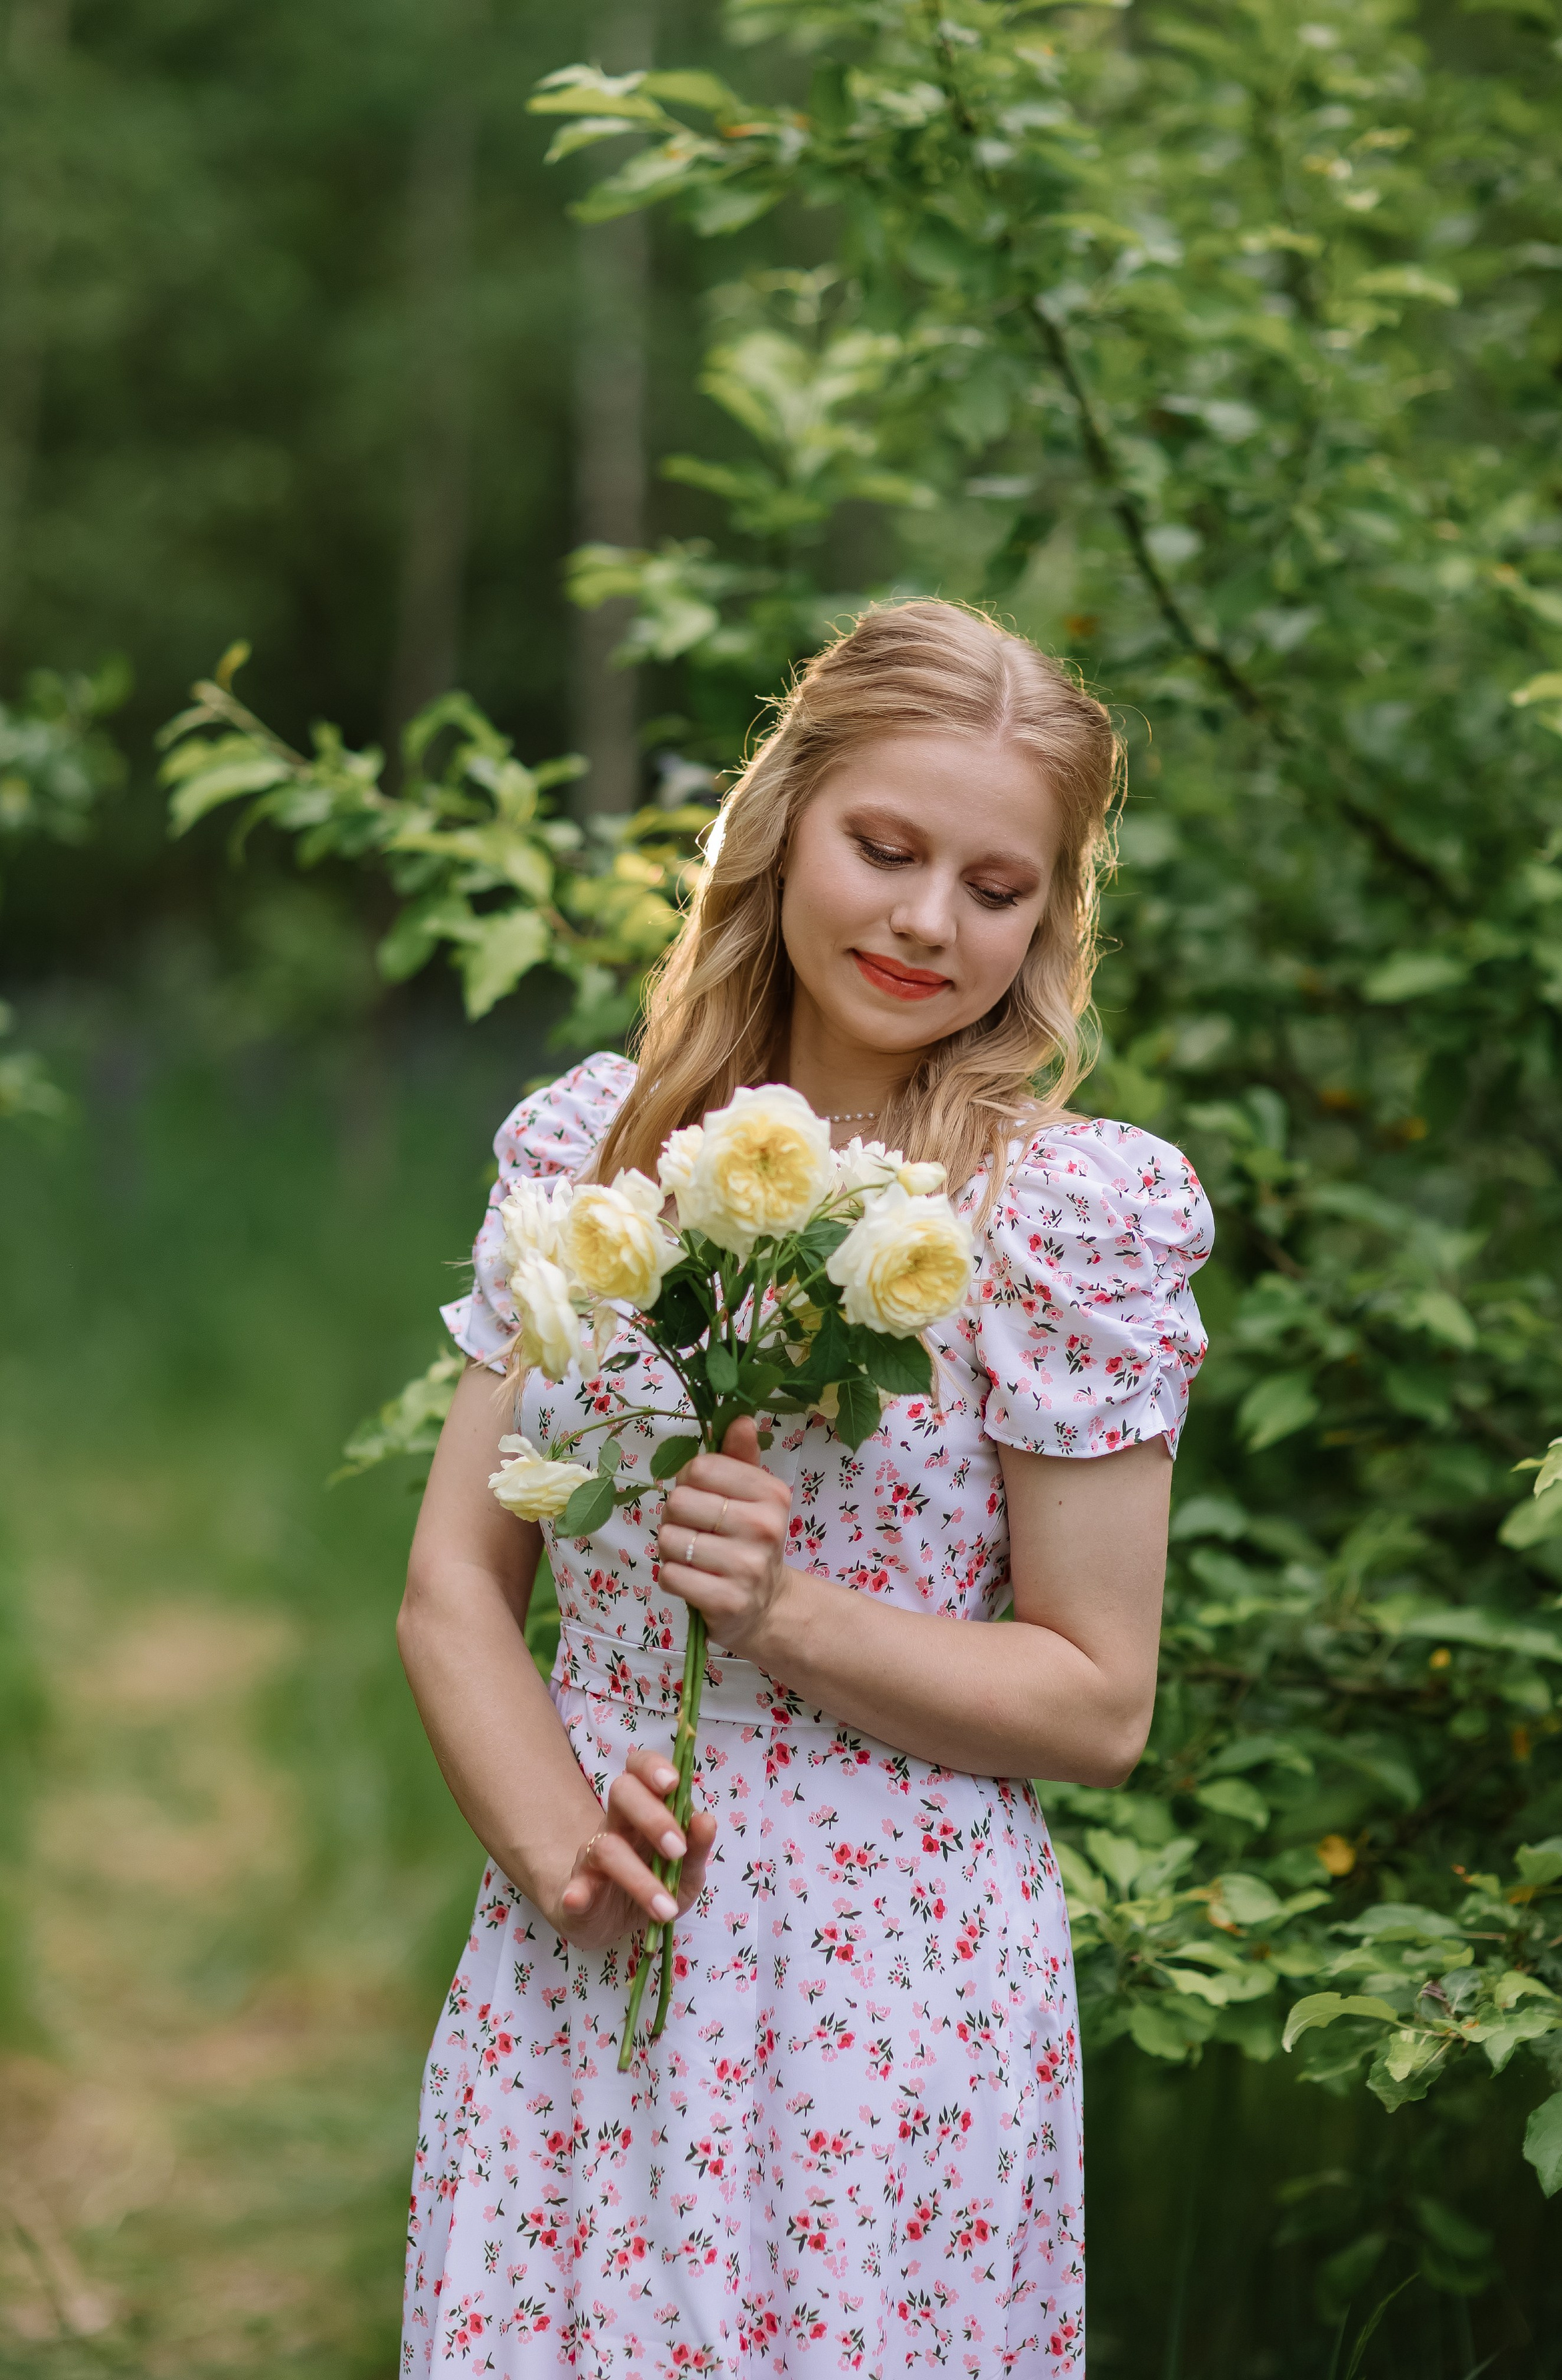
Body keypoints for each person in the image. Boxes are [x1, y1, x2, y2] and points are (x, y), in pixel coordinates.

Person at [397, 599, 1213, 2376]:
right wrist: (558, 1848)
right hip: (584, 1952)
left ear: (1049, 918)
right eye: (888, 849)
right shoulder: (592, 1152)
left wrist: (788, 1615)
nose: (930, 921)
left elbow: (1097, 1699)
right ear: (782, 832)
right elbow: (457, 1583)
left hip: (889, 1993)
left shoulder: (1064, 1217)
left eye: (997, 888)